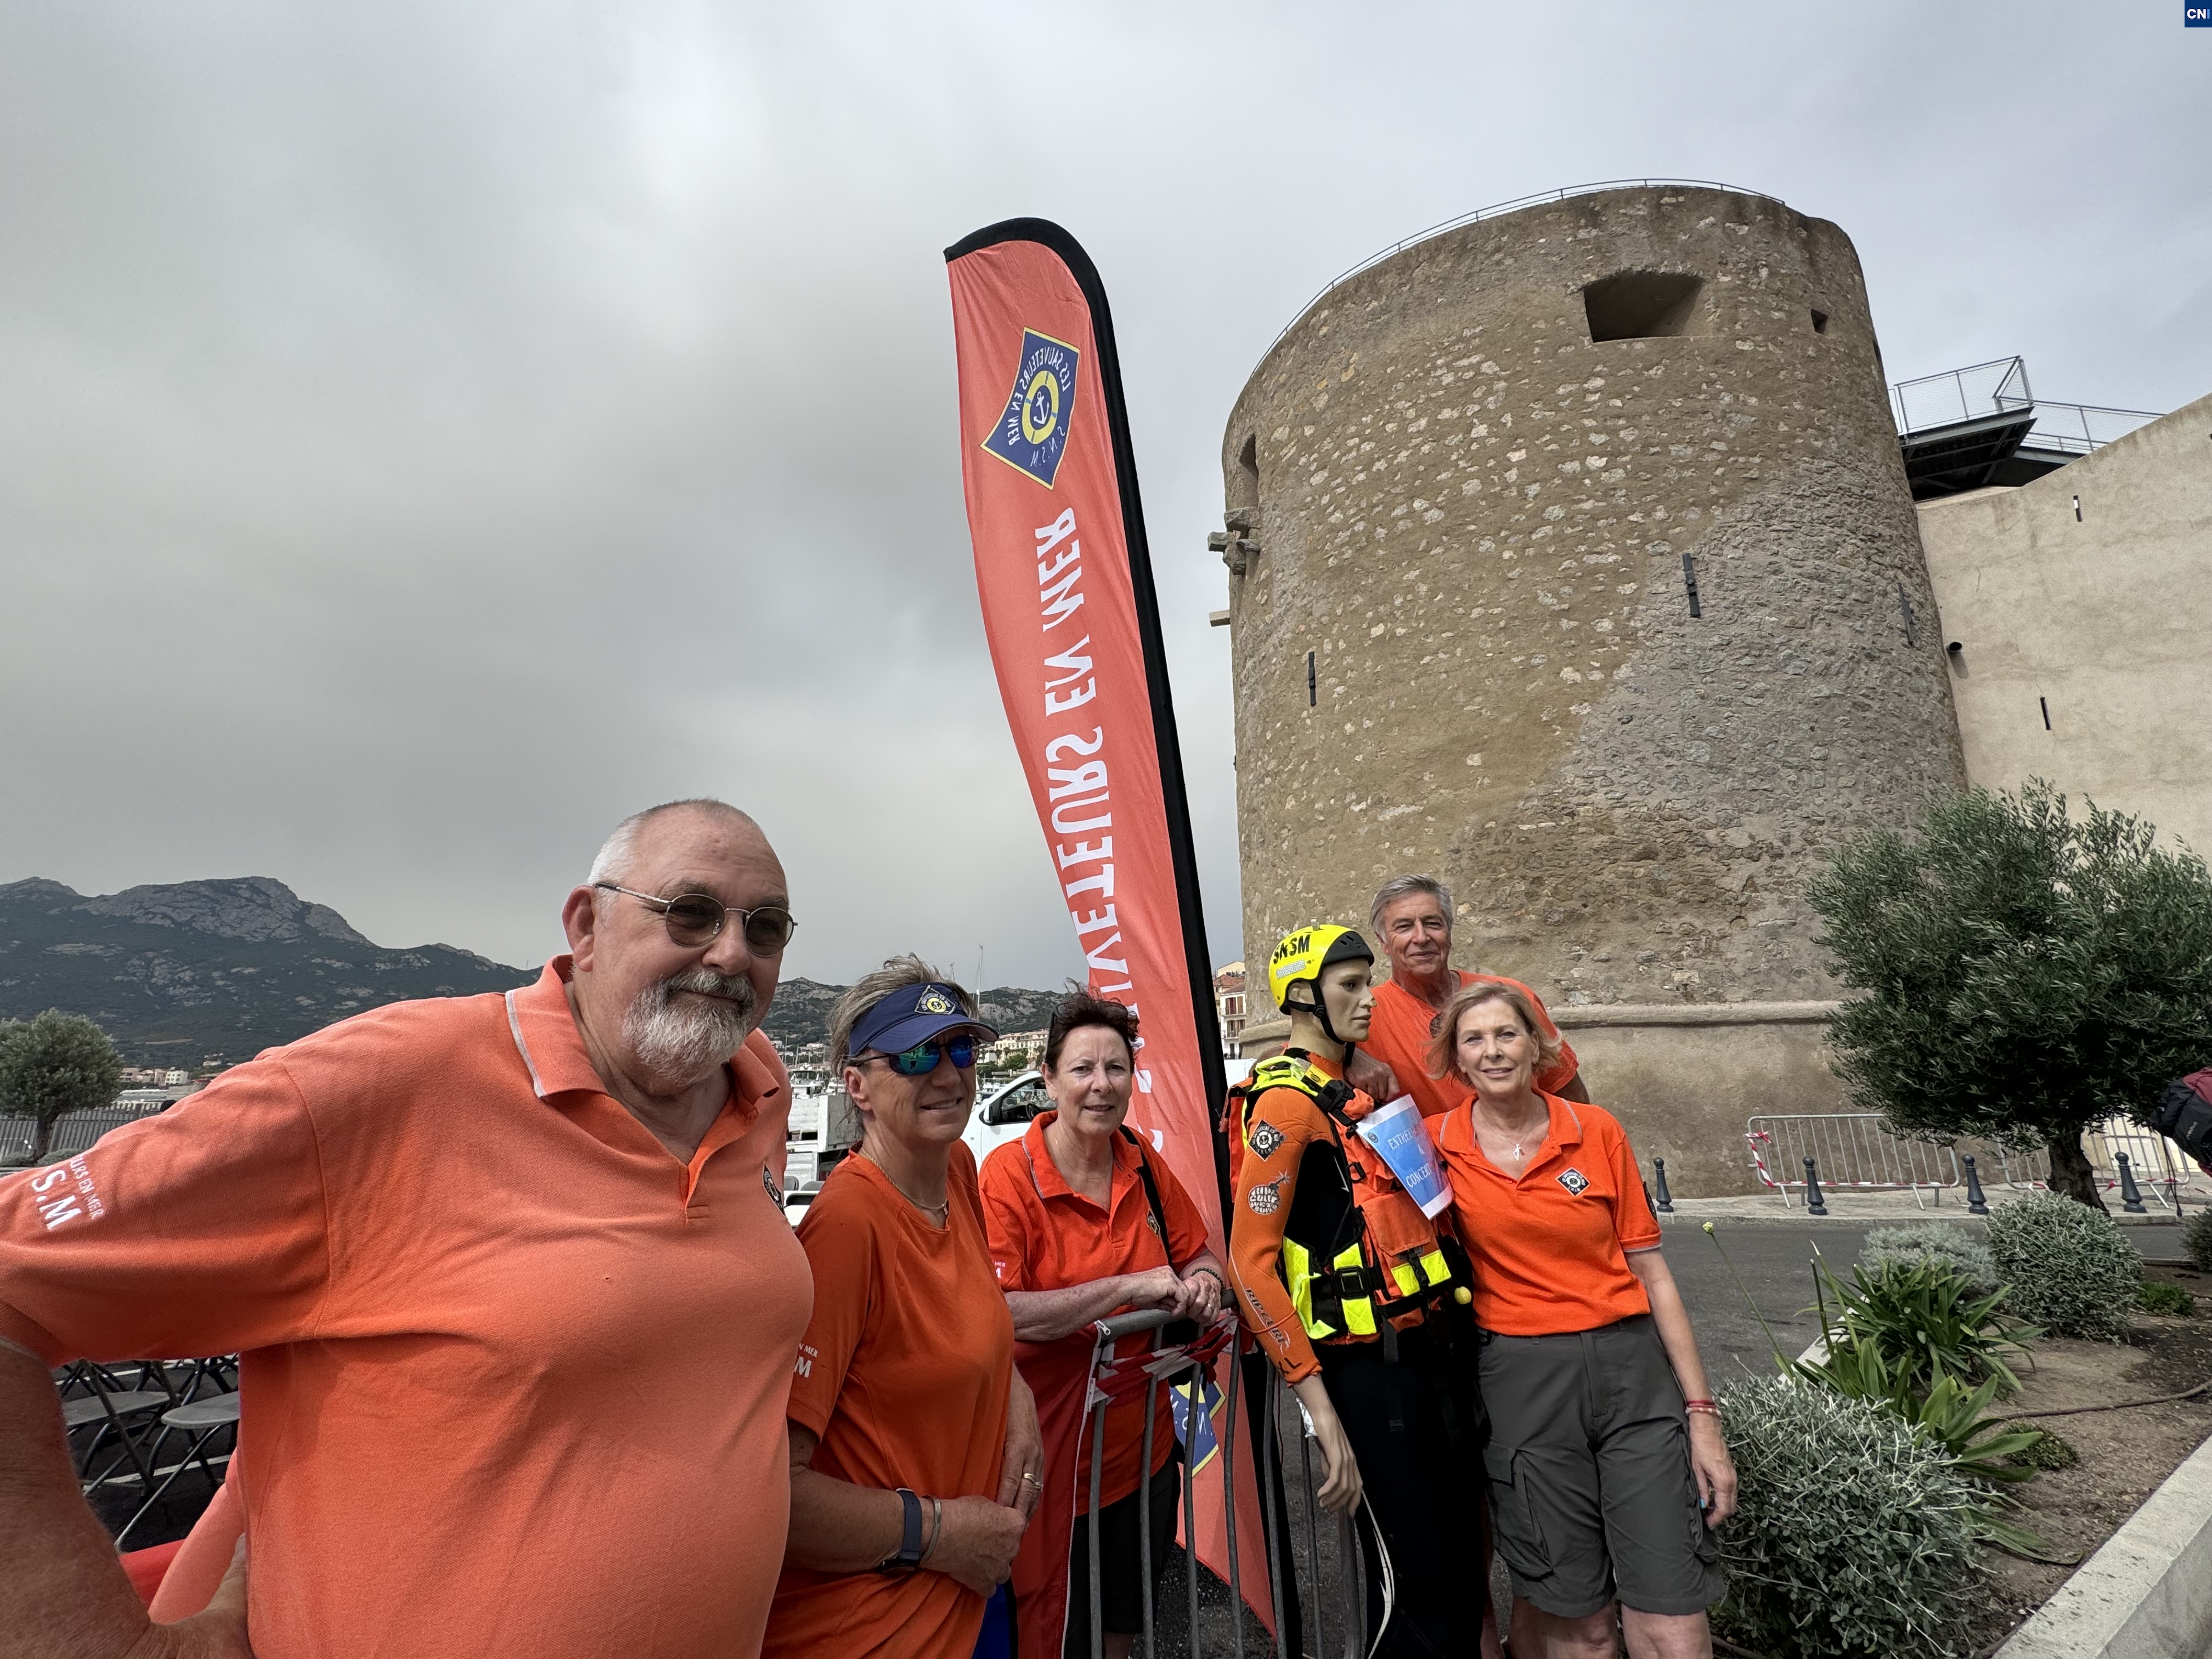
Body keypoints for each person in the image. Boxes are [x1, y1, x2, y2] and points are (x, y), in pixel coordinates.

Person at [0, 797, 814, 1658]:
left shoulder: (756, 1089)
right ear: (587, 924)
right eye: (690, 914)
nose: (730, 953)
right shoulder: (377, 1087)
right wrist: (101, 1642)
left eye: (765, 929)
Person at [1430, 980, 1735, 1659]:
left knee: (1672, 1615)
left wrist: (1702, 1416)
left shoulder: (1594, 1131)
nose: (1492, 1051)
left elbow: (1654, 1274)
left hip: (1632, 1376)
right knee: (1582, 1624)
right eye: (1473, 1040)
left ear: (1535, 1045)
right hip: (1523, 1384)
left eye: (1506, 1034)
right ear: (1455, 1061)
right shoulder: (1433, 1146)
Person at [768, 959, 1043, 1659]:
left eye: (960, 1048)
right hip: (875, 1623)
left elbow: (979, 1315)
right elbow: (774, 1496)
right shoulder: (847, 1228)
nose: (948, 1074)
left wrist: (1020, 1405)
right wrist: (946, 1534)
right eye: (917, 1054)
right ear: (856, 1086)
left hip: (971, 1594)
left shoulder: (957, 1170)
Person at [1228, 924, 1485, 1658]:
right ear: (1303, 997)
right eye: (1349, 986)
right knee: (1411, 1593)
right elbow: (1252, 1265)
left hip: (1429, 1351)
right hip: (1367, 1375)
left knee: (1461, 1573)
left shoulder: (1355, 1088)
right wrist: (1320, 1410)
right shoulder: (1282, 1105)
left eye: (1367, 982)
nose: (1369, 999)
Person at [978, 990, 1229, 1659]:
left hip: (1140, 1459)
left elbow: (1199, 1252)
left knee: (1123, 1621)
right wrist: (1128, 1287)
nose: (1101, 1086)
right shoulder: (1008, 1176)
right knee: (1051, 1632)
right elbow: (997, 1311)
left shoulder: (1139, 1160)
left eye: (1116, 1069)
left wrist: (1204, 1282)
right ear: (1049, 1078)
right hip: (1048, 1465)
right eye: (1083, 1069)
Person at [1350, 872, 1588, 1118]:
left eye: (1433, 923)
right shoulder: (1363, 1014)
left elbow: (1570, 1096)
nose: (1421, 938)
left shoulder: (1511, 997)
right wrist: (1350, 1057)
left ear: (1449, 933)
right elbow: (1308, 1059)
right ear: (1383, 942)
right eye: (1404, 927)